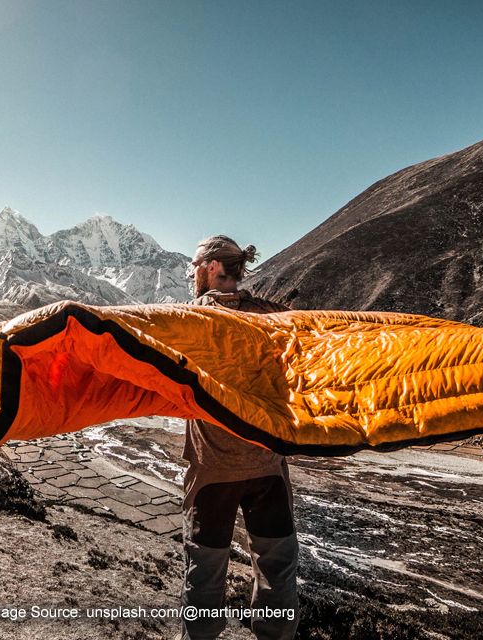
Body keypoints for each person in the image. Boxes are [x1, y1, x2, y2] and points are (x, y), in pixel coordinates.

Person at [178, 235, 299, 640]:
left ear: (212, 267)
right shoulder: (273, 317)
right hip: (268, 467)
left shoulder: (189, 317)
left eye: (194, 265)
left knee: (205, 571)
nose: (191, 273)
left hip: (213, 472)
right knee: (277, 568)